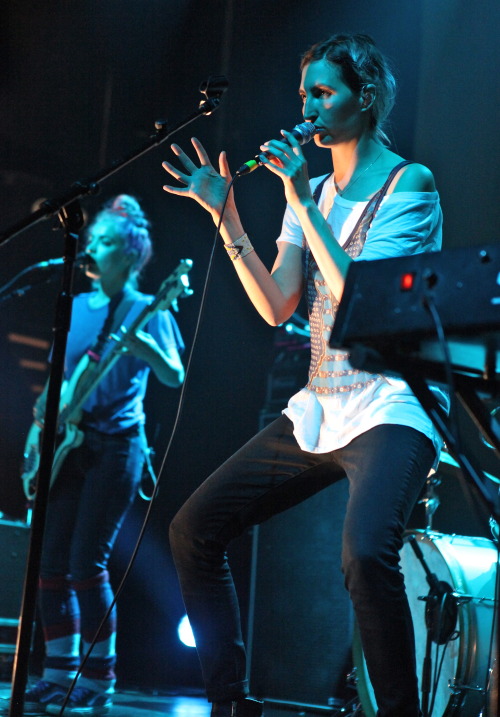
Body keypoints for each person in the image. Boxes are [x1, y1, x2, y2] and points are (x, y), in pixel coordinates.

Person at [162, 33, 446, 717]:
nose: (308, 108)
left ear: (365, 95)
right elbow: (277, 305)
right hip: (322, 403)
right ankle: (231, 703)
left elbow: (361, 299)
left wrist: (302, 200)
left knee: (363, 552)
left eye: (322, 93)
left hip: (391, 403)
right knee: (192, 529)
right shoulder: (310, 190)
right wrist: (227, 215)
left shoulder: (410, 184)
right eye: (303, 95)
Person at [22, 194, 185, 716]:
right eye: (92, 241)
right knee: (49, 563)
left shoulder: (144, 308)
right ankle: (57, 674)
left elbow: (174, 375)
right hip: (68, 444)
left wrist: (146, 349)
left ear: (131, 252)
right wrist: (37, 431)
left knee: (85, 562)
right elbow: (57, 383)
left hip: (117, 447)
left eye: (106, 242)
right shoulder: (75, 307)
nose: (93, 249)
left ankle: (99, 680)